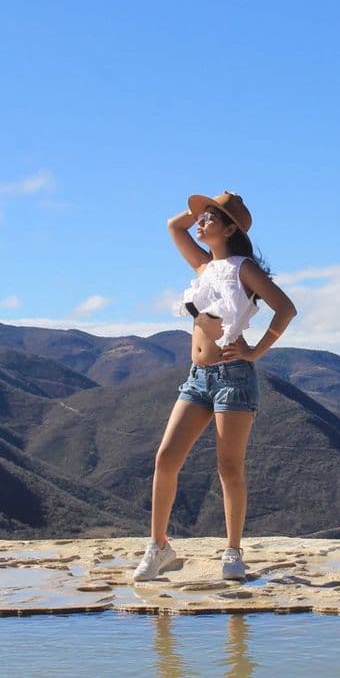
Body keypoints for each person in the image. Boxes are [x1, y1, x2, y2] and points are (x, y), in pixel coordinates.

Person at [133, 191, 297, 582]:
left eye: (211, 219)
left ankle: (234, 551)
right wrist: (203, 209)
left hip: (233, 378)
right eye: (203, 218)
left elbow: (285, 308)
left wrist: (255, 352)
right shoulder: (204, 266)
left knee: (229, 468)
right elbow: (175, 226)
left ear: (230, 228)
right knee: (165, 459)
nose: (201, 222)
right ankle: (159, 547)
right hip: (197, 378)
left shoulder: (243, 268)